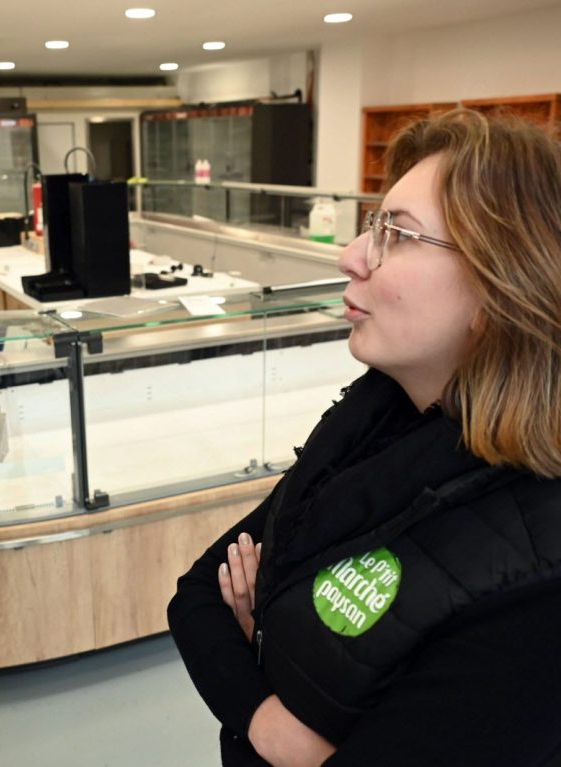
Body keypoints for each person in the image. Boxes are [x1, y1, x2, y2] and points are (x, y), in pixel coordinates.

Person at [168, 108, 561, 767]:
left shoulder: (540, 578)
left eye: (397, 235)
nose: (352, 255)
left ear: (503, 283)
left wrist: (261, 636)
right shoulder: (377, 413)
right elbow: (200, 594)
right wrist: (273, 720)